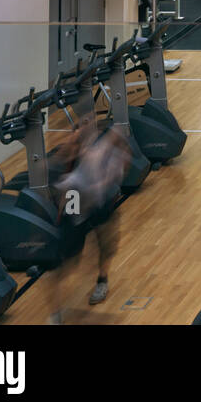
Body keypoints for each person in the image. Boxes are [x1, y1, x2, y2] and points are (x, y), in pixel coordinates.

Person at [48, 112, 131, 322]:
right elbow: (62, 185)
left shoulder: (105, 152)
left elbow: (119, 162)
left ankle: (102, 279)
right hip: (76, 202)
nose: (83, 129)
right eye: (80, 126)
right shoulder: (69, 153)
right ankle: (55, 312)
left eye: (88, 124)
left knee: (106, 244)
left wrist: (104, 184)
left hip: (99, 203)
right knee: (66, 262)